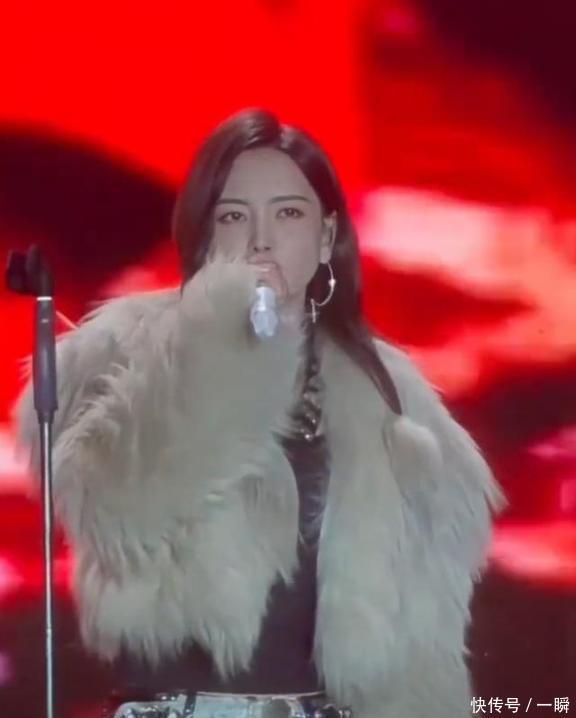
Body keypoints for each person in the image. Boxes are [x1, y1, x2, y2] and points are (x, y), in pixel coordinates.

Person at [16, 108, 504, 718]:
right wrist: (223, 344)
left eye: (289, 213)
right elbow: (118, 517)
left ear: (326, 237)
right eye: (233, 216)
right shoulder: (120, 356)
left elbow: (421, 635)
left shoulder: (389, 398)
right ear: (203, 234)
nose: (261, 238)